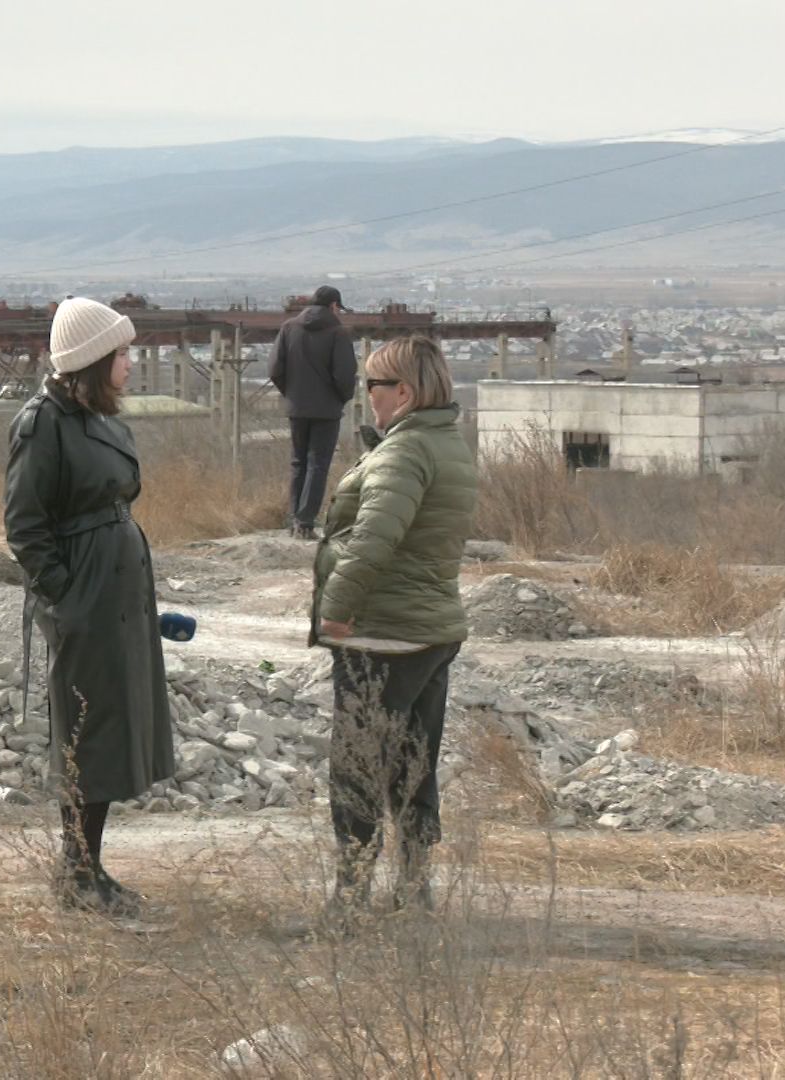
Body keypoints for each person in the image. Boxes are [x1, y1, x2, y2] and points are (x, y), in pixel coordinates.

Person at [4, 297, 173, 918]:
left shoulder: (99, 418)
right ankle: (76, 873)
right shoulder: (42, 423)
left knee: (109, 729)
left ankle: (89, 866)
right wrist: (65, 598)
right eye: (123, 354)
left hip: (117, 595)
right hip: (86, 598)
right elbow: (25, 526)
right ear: (94, 361)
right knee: (87, 732)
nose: (131, 364)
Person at [308, 335, 477, 920]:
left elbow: (374, 538)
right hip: (430, 631)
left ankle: (350, 899)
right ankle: (414, 887)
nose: (367, 397)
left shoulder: (405, 453)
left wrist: (336, 606)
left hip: (383, 631)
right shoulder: (445, 442)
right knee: (412, 759)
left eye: (373, 386)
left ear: (403, 391)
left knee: (357, 764)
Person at [270, 285, 358, 539]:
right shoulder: (338, 333)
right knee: (318, 464)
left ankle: (294, 518)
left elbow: (275, 368)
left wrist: (292, 394)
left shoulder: (288, 328)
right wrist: (341, 398)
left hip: (297, 407)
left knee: (298, 462)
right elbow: (344, 375)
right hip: (326, 410)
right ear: (333, 306)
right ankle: (305, 522)